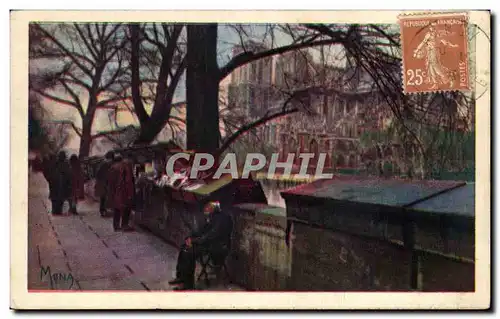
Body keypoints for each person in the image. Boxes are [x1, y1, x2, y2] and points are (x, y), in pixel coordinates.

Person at [168, 201, 233, 290]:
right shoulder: (212, 216)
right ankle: (181, 277)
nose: (205, 209)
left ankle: (188, 284)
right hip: (209, 243)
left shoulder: (223, 218)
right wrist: (190, 237)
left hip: (219, 246)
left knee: (190, 252)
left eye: (207, 207)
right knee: (184, 248)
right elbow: (202, 230)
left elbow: (211, 235)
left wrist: (195, 241)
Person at [107, 154, 135, 232]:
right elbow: (128, 181)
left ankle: (116, 226)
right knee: (126, 208)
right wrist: (130, 193)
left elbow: (110, 181)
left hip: (115, 190)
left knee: (117, 208)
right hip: (123, 191)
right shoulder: (125, 167)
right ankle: (124, 225)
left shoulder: (112, 167)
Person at [50, 151, 73, 215]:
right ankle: (57, 211)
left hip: (59, 185)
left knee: (58, 199)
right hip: (60, 185)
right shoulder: (63, 164)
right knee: (59, 199)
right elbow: (68, 174)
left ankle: (56, 211)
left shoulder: (56, 164)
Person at [94, 151, 114, 217]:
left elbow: (98, 173)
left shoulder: (103, 162)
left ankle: (103, 210)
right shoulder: (107, 163)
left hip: (103, 182)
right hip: (104, 182)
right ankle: (103, 210)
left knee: (103, 197)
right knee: (104, 197)